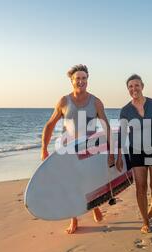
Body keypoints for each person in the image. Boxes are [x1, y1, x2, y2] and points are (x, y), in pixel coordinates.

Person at [41, 64, 114, 234]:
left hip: (91, 148)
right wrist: (44, 148)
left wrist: (111, 151)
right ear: (72, 81)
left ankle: (94, 206)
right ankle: (74, 218)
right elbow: (50, 125)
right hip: (69, 149)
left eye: (84, 78)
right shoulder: (63, 102)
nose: (81, 81)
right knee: (71, 183)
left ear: (87, 80)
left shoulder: (96, 102)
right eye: (77, 78)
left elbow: (106, 127)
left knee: (90, 180)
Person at [116, 74, 152, 234]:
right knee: (140, 186)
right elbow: (122, 133)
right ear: (128, 90)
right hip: (136, 151)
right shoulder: (125, 110)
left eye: (136, 85)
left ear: (142, 86)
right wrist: (118, 154)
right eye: (131, 86)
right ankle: (146, 221)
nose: (134, 89)